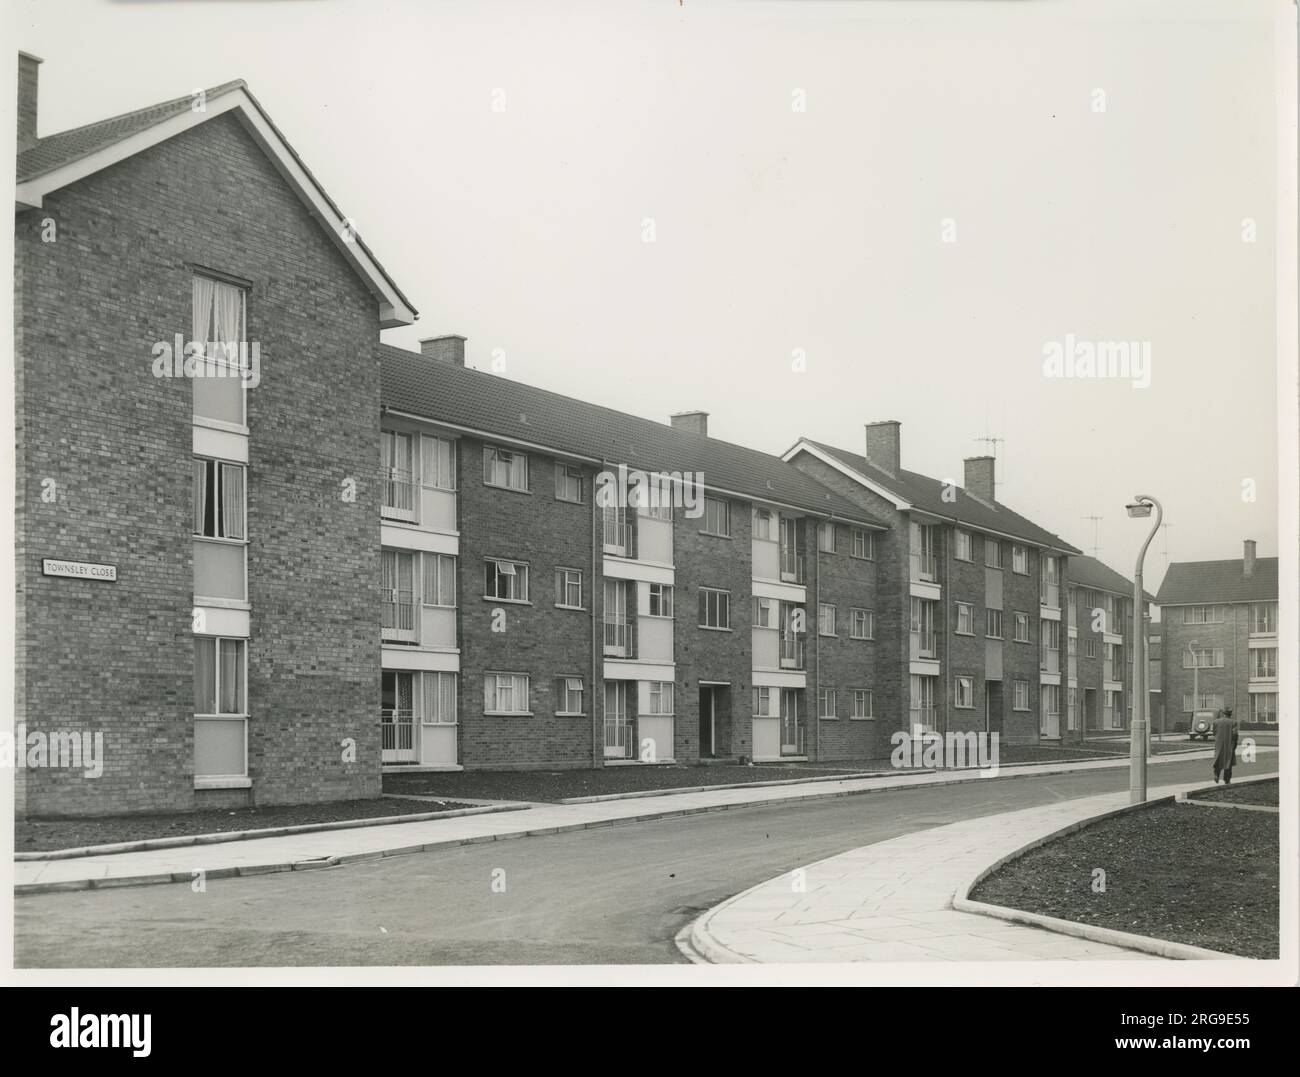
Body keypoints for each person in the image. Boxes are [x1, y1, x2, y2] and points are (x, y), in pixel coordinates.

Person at [1212, 705, 1239, 784]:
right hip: (1229, 744)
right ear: (1230, 714)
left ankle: (1216, 774)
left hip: (1219, 744)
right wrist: (1235, 744)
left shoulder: (1216, 722)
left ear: (1223, 713)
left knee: (1218, 759)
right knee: (1228, 761)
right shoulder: (1233, 722)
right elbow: (1235, 735)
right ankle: (1226, 780)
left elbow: (1214, 733)